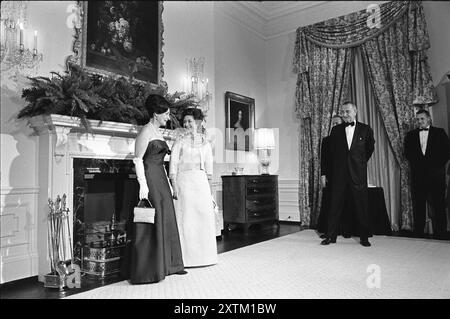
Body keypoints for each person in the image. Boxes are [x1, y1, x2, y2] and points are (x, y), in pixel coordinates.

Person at [129, 94, 187, 284]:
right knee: (154, 219)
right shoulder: (146, 131)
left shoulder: (157, 131)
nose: (168, 118)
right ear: (156, 113)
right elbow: (137, 159)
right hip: (150, 178)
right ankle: (153, 268)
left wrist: (170, 184)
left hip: (160, 178)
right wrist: (143, 185)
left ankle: (171, 265)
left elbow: (162, 161)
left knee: (167, 216)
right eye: (166, 114)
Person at [321, 101, 375, 247]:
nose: (345, 115)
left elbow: (369, 149)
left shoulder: (365, 129)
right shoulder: (336, 130)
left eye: (347, 111)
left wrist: (359, 163)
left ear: (355, 111)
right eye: (343, 112)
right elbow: (331, 153)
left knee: (361, 206)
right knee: (335, 206)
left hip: (358, 174)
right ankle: (331, 236)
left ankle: (364, 238)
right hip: (339, 175)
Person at [169, 108, 218, 267]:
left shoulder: (206, 143)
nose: (186, 124)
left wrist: (210, 195)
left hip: (201, 183)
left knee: (203, 218)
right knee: (187, 220)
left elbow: (209, 172)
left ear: (198, 122)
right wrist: (174, 185)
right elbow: (173, 165)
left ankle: (206, 257)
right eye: (185, 122)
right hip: (184, 182)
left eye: (189, 121)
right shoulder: (179, 141)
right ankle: (186, 259)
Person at [405, 109, 450, 239]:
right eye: (417, 119)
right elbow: (408, 153)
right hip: (418, 175)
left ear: (429, 119)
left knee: (439, 204)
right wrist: (419, 166)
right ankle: (418, 232)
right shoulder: (411, 135)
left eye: (422, 119)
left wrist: (435, 166)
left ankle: (441, 232)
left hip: (436, 175)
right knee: (418, 204)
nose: (419, 122)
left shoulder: (440, 133)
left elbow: (447, 152)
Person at [318, 115, 352, 239]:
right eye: (333, 123)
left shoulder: (348, 139)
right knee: (330, 204)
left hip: (346, 175)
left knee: (345, 203)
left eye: (337, 122)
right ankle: (330, 231)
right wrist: (323, 175)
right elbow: (324, 159)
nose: (335, 125)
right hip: (331, 176)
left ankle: (345, 230)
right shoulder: (326, 140)